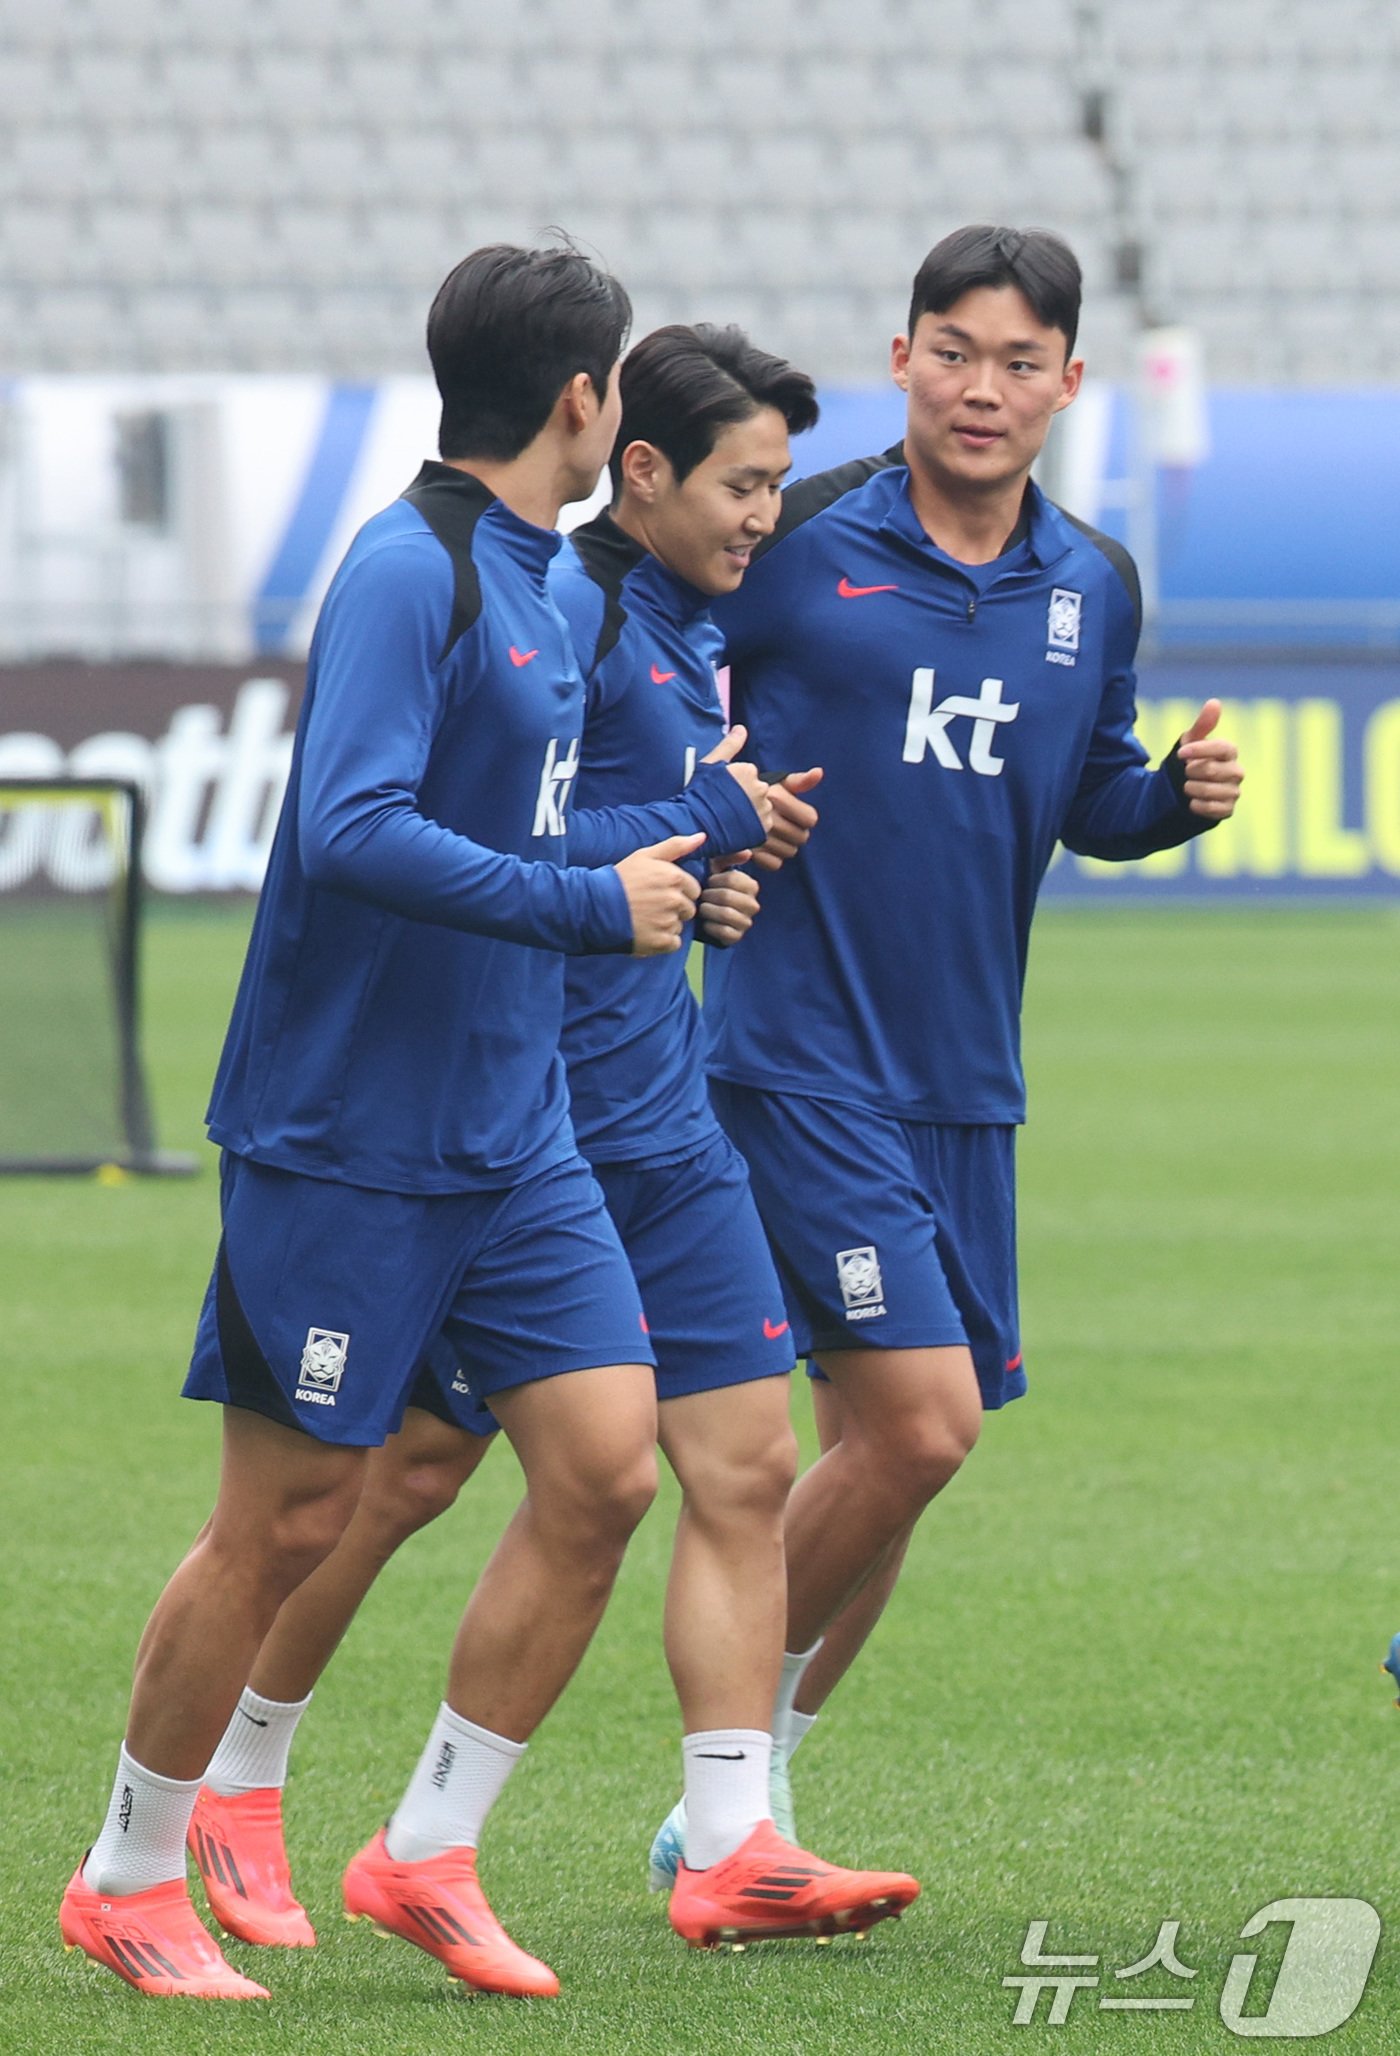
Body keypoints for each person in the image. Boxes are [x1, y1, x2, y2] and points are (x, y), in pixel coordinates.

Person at [59, 243, 775, 2005]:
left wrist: (663, 840)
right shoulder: (409, 568)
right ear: (588, 405)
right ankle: (130, 1871)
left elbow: (526, 821)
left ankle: (428, 1848)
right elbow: (353, 824)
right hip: (347, 1130)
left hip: (510, 1127)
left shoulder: (540, 578)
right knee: (285, 1522)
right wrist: (596, 904)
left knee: (607, 1469)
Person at [184, 322, 918, 1969]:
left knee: (735, 1467)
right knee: (390, 1480)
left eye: (783, 485)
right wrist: (673, 841)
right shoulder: (549, 600)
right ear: (628, 459)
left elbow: (617, 854)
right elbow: (486, 841)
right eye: (747, 482)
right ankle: (236, 1775)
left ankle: (728, 1840)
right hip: (528, 1119)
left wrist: (707, 862)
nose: (766, 516)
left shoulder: (687, 625)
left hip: (658, 1115)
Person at [647, 224, 1245, 1880]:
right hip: (793, 1052)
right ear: (901, 356)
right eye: (954, 351)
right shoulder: (793, 534)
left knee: (894, 1458)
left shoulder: (1091, 581)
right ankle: (725, 1792)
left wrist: (1164, 809)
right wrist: (702, 828)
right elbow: (654, 694)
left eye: (1020, 361)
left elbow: (1084, 791)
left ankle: (750, 1791)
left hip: (967, 1081)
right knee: (921, 1429)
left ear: (1070, 381)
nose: (984, 389)